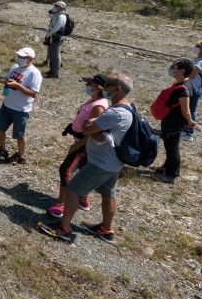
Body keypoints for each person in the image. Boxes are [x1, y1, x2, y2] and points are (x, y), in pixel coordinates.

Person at [39, 74, 134, 244]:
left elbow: (86, 130)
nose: (105, 88)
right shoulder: (129, 108)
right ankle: (106, 230)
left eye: (108, 85)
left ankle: (63, 229)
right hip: (113, 162)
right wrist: (96, 126)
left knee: (73, 189)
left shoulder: (114, 112)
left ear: (118, 89)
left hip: (100, 162)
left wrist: (91, 123)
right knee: (109, 195)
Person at [47, 75, 109, 218]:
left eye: (90, 83)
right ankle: (83, 200)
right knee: (83, 171)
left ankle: (62, 205)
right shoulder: (94, 100)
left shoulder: (99, 106)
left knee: (65, 170)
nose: (86, 85)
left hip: (84, 145)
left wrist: (77, 146)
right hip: (82, 143)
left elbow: (94, 131)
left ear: (98, 87)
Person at [0, 47, 42, 164]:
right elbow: (9, 80)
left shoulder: (34, 73)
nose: (19, 59)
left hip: (21, 109)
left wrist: (18, 86)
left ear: (30, 59)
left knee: (19, 134)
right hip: (7, 105)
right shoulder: (15, 67)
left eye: (22, 57)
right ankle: (2, 149)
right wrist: (4, 81)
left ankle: (21, 155)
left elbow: (34, 93)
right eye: (19, 56)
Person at [153, 59, 196, 184]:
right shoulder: (182, 84)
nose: (171, 68)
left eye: (174, 66)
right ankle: (166, 166)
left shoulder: (183, 89)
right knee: (169, 145)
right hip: (170, 120)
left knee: (172, 148)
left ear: (182, 71)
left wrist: (190, 121)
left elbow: (186, 109)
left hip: (174, 122)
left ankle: (171, 175)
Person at [40, 1, 67, 78]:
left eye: (56, 6)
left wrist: (48, 35)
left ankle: (55, 73)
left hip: (56, 38)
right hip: (53, 37)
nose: (54, 7)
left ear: (61, 7)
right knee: (52, 54)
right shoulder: (56, 15)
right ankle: (52, 70)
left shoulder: (61, 17)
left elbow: (55, 29)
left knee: (55, 55)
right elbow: (50, 16)